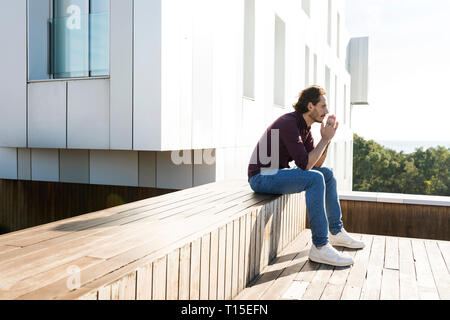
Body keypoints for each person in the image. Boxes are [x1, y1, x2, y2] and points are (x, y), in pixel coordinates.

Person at [247, 85, 365, 267]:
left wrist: (327, 138)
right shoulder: (289, 123)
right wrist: (324, 139)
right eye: (323, 106)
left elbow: (317, 163)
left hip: (278, 173)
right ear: (310, 106)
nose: (326, 111)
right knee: (315, 178)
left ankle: (335, 231)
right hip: (261, 176)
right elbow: (307, 165)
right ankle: (320, 245)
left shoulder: (305, 128)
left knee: (326, 174)